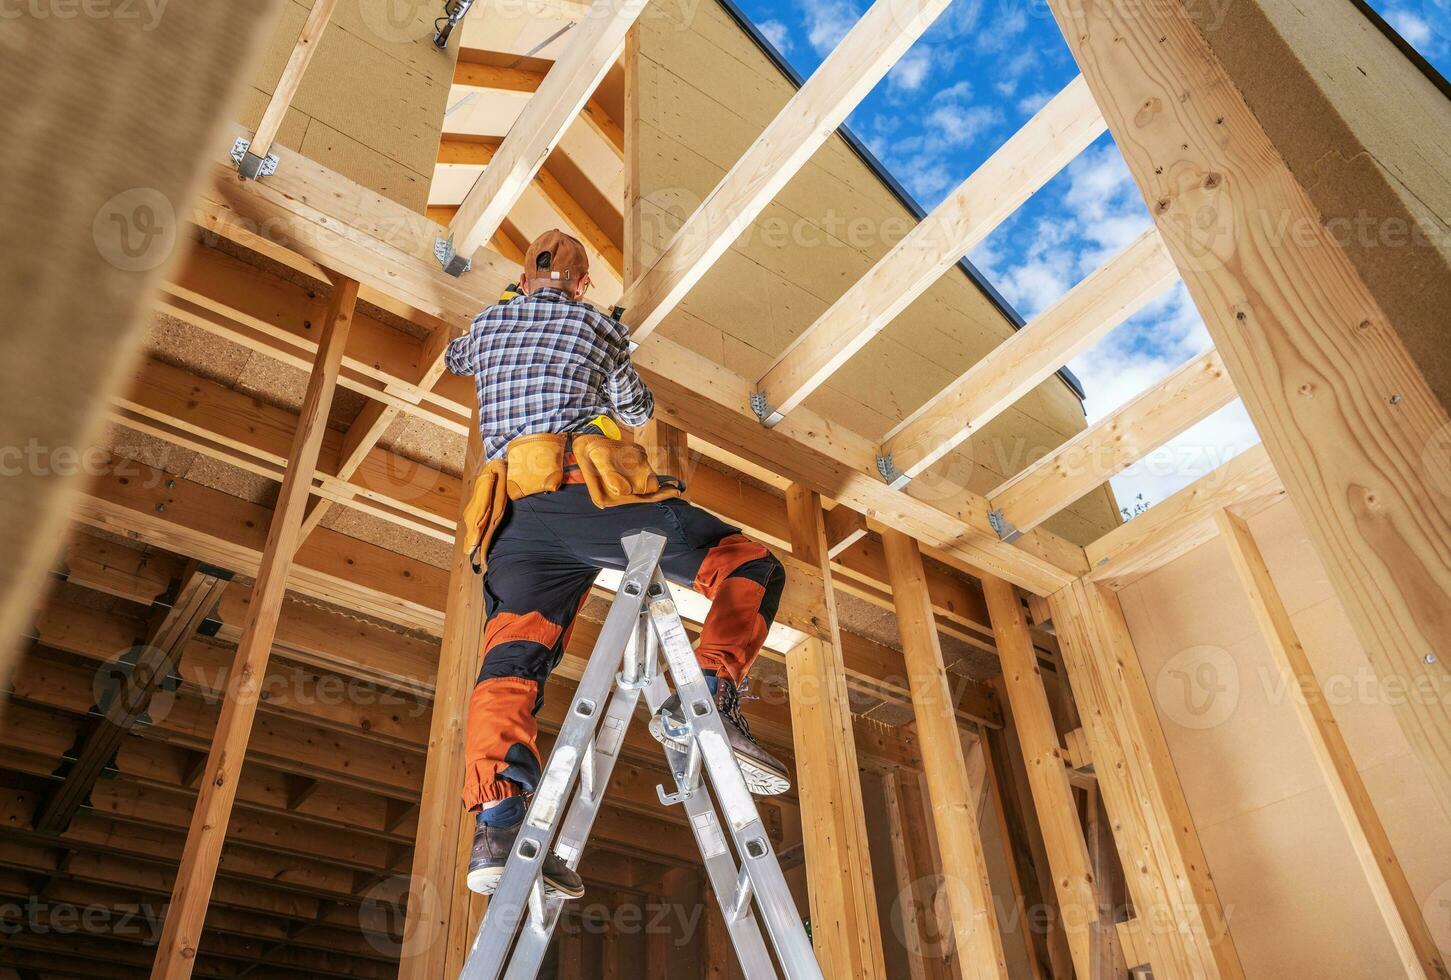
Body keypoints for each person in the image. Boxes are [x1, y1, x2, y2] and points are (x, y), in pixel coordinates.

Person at [445, 229, 789, 899]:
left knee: (510, 662)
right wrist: (605, 346)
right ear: (580, 284)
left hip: (511, 523)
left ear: (522, 278)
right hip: (589, 497)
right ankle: (712, 695)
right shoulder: (593, 326)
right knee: (746, 563)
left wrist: (508, 307)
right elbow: (635, 408)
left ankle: (497, 822)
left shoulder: (487, 324)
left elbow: (460, 356)